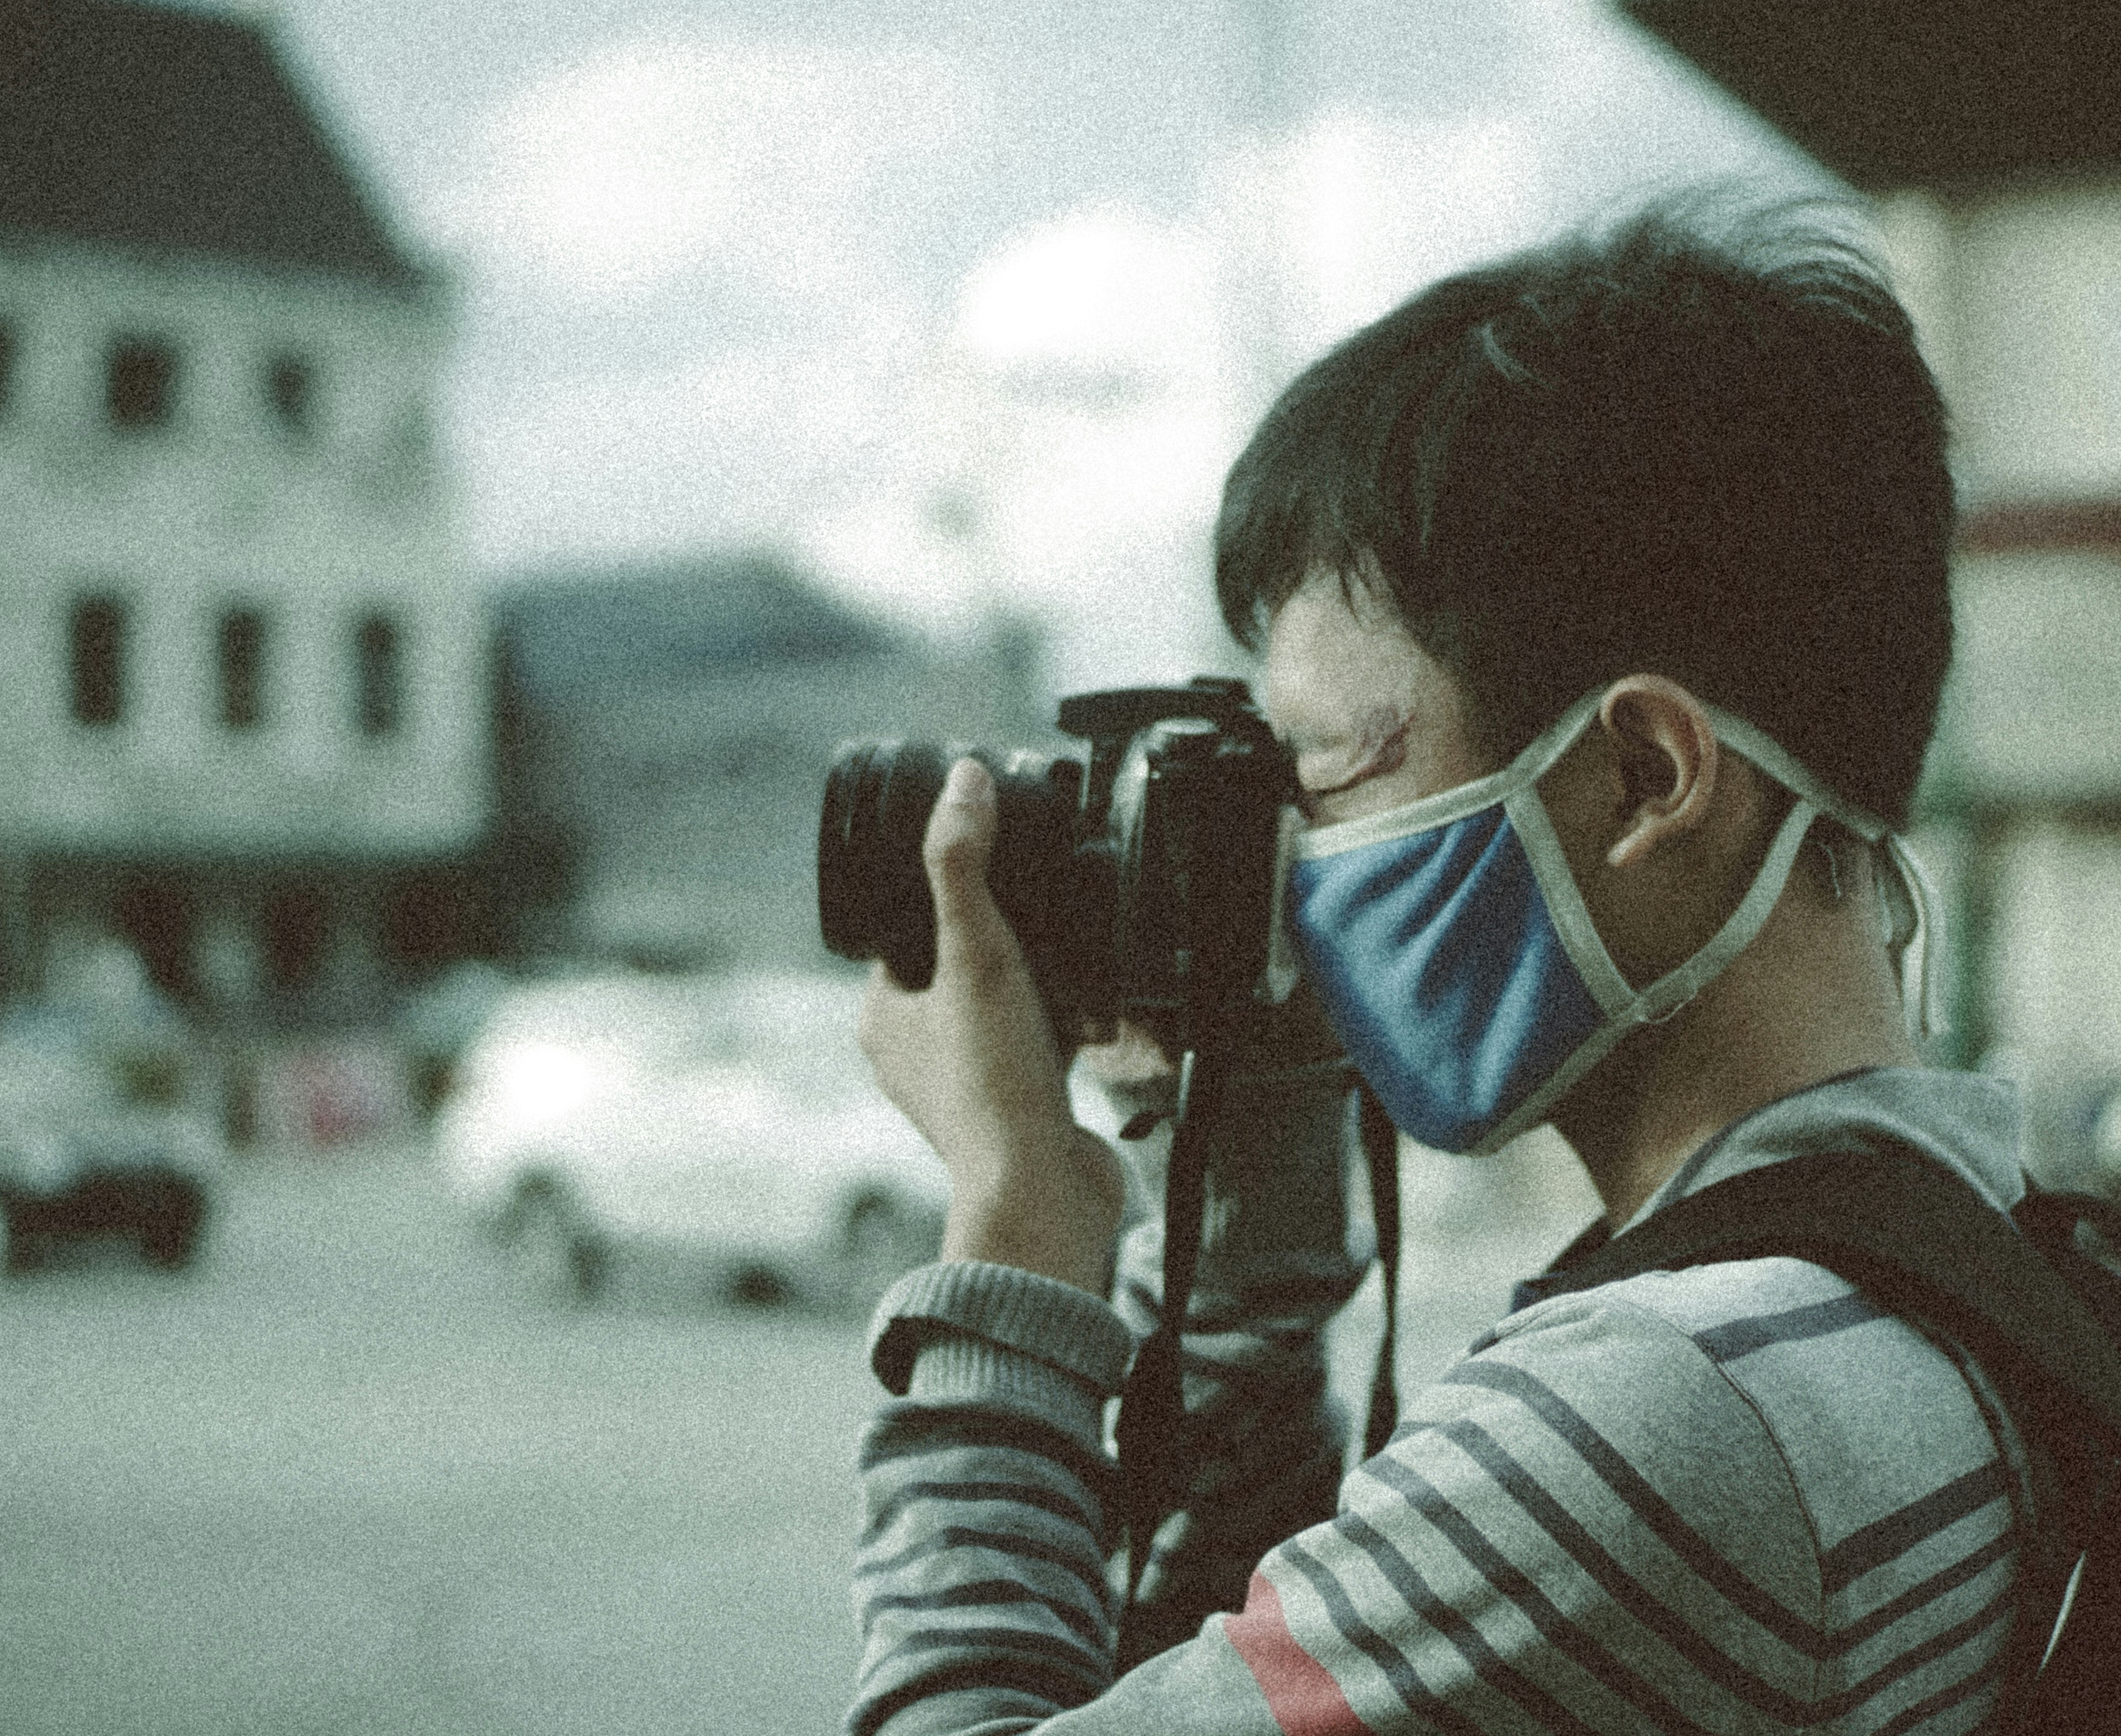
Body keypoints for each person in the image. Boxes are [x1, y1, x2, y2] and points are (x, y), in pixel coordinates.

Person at [852, 193, 2034, 1735]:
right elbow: (1249, 1654)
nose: (1286, 857)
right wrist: (1262, 1179)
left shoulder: (1680, 1418)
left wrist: (1011, 1234)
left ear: (1648, 780)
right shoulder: (1945, 1254)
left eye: (1326, 774)